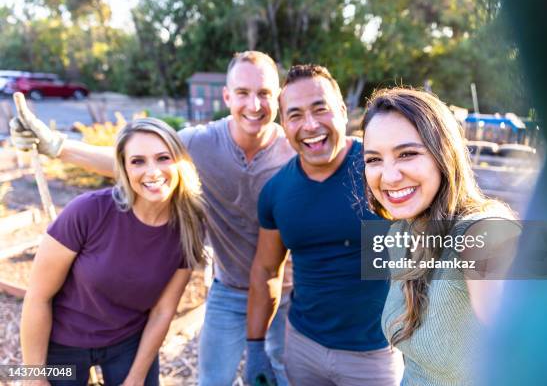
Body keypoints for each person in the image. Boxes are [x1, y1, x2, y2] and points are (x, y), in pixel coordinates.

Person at [11, 51, 294, 386]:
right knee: (213, 378)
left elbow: (350, 170)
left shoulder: (295, 151)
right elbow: (135, 155)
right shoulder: (197, 145)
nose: (254, 104)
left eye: (264, 93)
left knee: (285, 372)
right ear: (227, 96)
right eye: (243, 93)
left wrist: (373, 265)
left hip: (291, 291)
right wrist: (58, 146)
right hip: (226, 288)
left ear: (278, 96)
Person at [246, 64, 403, 386]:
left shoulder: (381, 171)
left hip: (374, 353)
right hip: (303, 347)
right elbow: (265, 271)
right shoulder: (276, 191)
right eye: (295, 115)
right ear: (283, 124)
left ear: (343, 112)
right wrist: (255, 348)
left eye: (321, 109)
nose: (310, 125)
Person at [20, 118, 206, 386]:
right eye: (138, 161)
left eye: (163, 158)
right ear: (123, 169)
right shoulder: (88, 211)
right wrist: (32, 376)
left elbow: (163, 312)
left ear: (181, 162)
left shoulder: (189, 226)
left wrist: (136, 378)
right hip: (65, 341)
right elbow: (37, 296)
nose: (152, 171)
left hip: (127, 341)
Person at [360, 87, 520, 385]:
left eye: (407, 153)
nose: (389, 175)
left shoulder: (482, 230)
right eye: (373, 159)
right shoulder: (402, 233)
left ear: (443, 154)